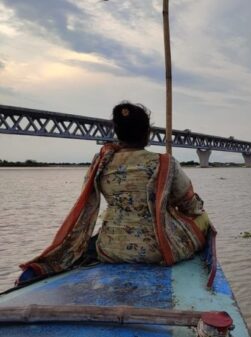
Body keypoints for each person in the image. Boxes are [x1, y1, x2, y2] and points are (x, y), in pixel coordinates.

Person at [17, 102, 211, 284]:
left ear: (117, 132)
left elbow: (89, 196)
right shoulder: (165, 163)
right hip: (157, 251)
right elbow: (189, 204)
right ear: (147, 133)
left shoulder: (101, 162)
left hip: (109, 249)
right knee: (202, 220)